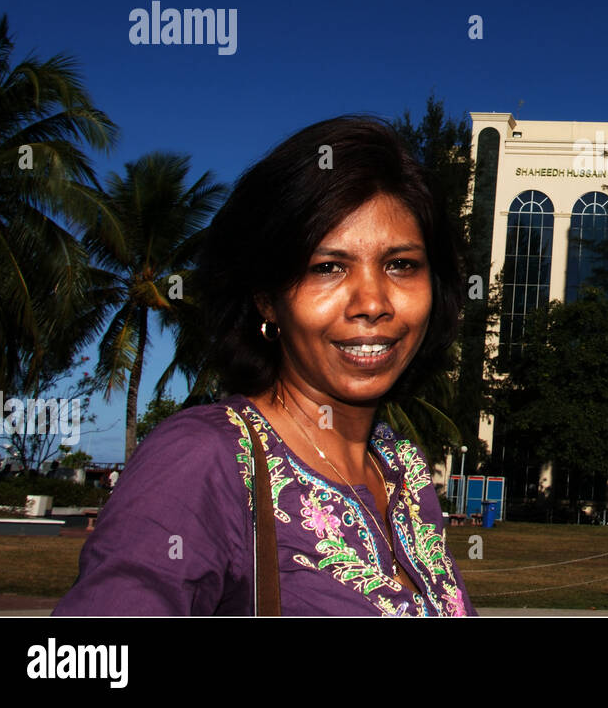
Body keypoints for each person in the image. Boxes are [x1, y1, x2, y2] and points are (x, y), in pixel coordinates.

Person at [54, 116, 475, 617]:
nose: (372, 302)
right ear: (267, 301)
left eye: (401, 264)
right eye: (327, 267)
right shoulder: (204, 459)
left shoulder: (402, 469)